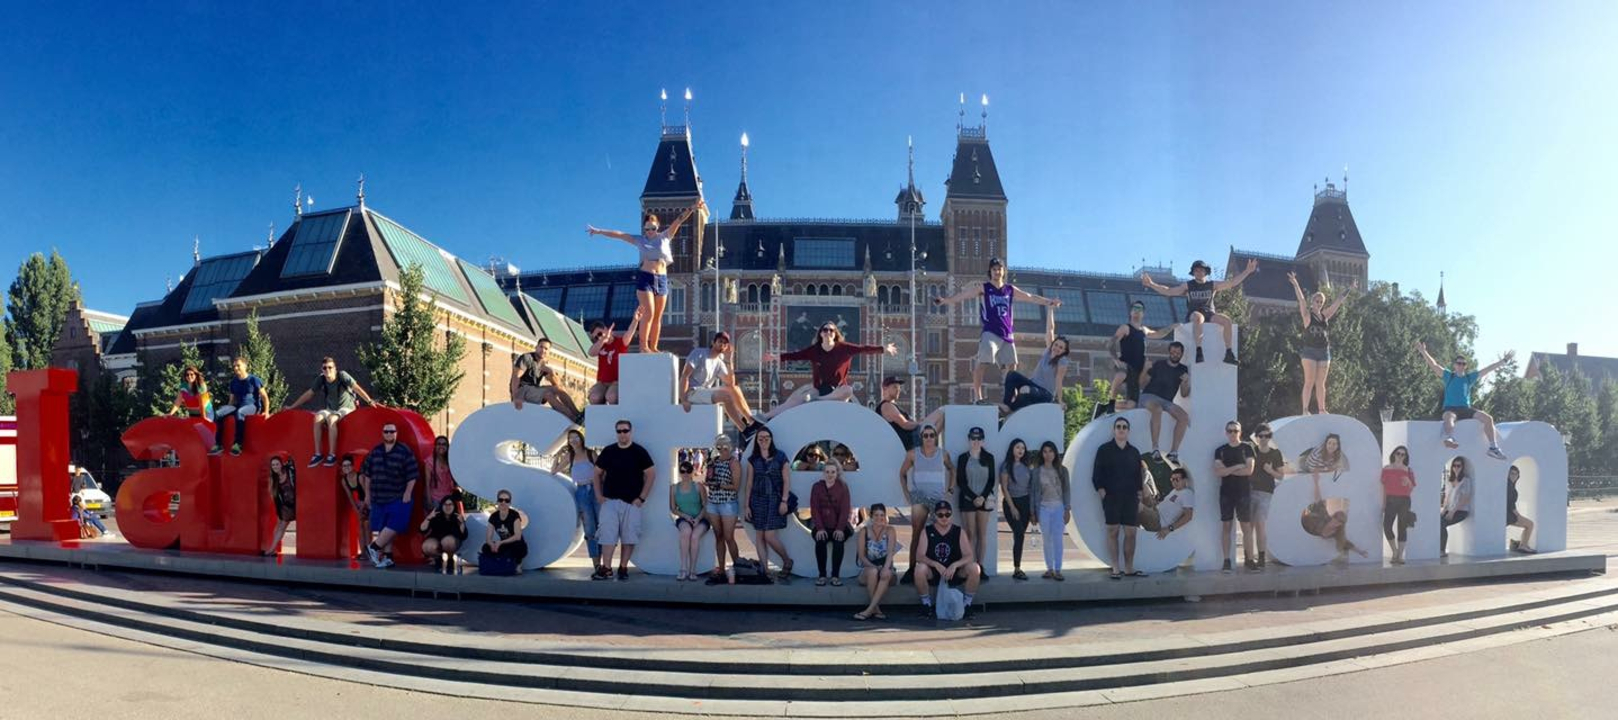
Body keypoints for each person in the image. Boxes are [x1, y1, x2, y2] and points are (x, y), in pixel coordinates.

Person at [932, 258, 1061, 403]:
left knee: (1012, 366)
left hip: (1007, 334)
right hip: (990, 332)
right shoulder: (984, 288)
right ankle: (978, 396)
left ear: (1003, 271)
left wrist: (1048, 301)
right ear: (990, 271)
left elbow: (1030, 297)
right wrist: (946, 300)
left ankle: (1012, 396)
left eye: (999, 269)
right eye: (994, 269)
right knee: (983, 362)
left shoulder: (1010, 290)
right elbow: (964, 295)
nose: (997, 272)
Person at [587, 201, 704, 353]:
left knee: (657, 316)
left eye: (653, 228)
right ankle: (644, 346)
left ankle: (654, 346)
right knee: (648, 313)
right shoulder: (640, 240)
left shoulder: (665, 237)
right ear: (644, 228)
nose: (650, 231)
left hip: (661, 279)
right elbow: (620, 235)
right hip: (646, 278)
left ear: (658, 227)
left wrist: (692, 208)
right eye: (647, 228)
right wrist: (599, 231)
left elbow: (679, 220)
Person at [761, 324, 897, 419]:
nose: (828, 332)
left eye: (831, 330)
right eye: (825, 330)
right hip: (820, 389)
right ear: (820, 333)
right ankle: (765, 416)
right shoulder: (814, 350)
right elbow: (794, 356)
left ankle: (817, 401)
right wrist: (774, 357)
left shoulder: (844, 348)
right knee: (796, 399)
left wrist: (883, 349)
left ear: (835, 334)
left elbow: (863, 348)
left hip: (837, 392)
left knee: (848, 390)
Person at [1140, 258, 1257, 364]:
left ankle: (1229, 353)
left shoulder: (1212, 285)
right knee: (1198, 317)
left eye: (1201, 270)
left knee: (1226, 321)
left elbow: (1231, 283)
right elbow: (1169, 291)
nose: (1198, 272)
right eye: (1196, 271)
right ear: (1193, 273)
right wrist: (1151, 284)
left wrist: (1247, 271)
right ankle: (1199, 351)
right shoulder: (1188, 285)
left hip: (1209, 313)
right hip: (1194, 313)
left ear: (1205, 272)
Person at [1414, 341, 1514, 460]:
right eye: (1459, 363)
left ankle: (1493, 447)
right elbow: (1434, 365)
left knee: (1488, 419)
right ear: (1455, 365)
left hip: (1465, 409)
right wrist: (1423, 352)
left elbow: (1487, 370)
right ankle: (1450, 438)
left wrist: (1504, 361)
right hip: (1451, 408)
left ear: (1465, 366)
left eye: (1463, 364)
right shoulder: (1448, 376)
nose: (1461, 365)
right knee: (1449, 418)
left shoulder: (1468, 378)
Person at [287, 357, 378, 467]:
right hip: (331, 409)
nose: (327, 370)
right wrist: (292, 406)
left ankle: (332, 455)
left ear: (335, 369)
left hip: (347, 408)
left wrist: (369, 401)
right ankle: (318, 454)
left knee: (332, 419)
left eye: (330, 367)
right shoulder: (321, 379)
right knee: (317, 417)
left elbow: (356, 388)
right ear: (322, 369)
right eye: (325, 368)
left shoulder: (342, 375)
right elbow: (309, 394)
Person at [594, 420, 656, 581]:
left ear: (631, 431)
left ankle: (623, 567)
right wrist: (599, 495)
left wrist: (642, 497)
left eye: (625, 430)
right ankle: (606, 568)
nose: (622, 434)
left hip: (632, 502)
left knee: (629, 537)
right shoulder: (608, 451)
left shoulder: (639, 451)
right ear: (616, 432)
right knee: (607, 535)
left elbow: (651, 474)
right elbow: (596, 473)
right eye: (619, 431)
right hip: (610, 501)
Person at [1288, 273, 1356, 414]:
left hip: (1324, 351)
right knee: (1309, 381)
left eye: (1321, 302)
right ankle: (1305, 409)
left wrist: (1349, 288)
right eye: (1316, 301)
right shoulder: (1307, 316)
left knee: (1321, 383)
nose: (1318, 304)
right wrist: (1295, 283)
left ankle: (1321, 409)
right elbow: (1301, 300)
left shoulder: (1325, 316)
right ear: (1312, 302)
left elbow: (1338, 302)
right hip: (1309, 351)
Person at [898, 425, 955, 583]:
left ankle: (937, 570)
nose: (929, 438)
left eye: (932, 435)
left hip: (937, 500)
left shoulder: (943, 454)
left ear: (936, 437)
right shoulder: (912, 454)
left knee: (939, 534)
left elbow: (952, 469)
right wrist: (907, 494)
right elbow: (902, 474)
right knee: (916, 533)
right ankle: (911, 569)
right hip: (920, 499)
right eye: (926, 435)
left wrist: (950, 490)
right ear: (921, 437)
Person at [741, 426, 795, 582]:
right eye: (760, 438)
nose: (763, 440)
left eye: (766, 438)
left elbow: (786, 481)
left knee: (769, 536)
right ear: (757, 441)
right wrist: (747, 505)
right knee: (759, 535)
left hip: (775, 500)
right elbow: (749, 484)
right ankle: (764, 570)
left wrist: (784, 501)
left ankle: (786, 560)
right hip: (757, 499)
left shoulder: (780, 457)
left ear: (771, 440)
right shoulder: (753, 459)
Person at [681, 331, 762, 433]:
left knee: (734, 389)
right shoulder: (699, 353)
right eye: (720, 341)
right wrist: (684, 400)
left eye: (725, 343)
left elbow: (730, 383)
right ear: (713, 342)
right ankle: (744, 430)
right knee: (725, 396)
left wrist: (729, 360)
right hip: (692, 392)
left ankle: (751, 421)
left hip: (705, 392)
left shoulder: (719, 362)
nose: (722, 345)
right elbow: (685, 376)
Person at [362, 423, 418, 569]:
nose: (389, 434)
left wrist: (408, 492)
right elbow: (367, 474)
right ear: (382, 433)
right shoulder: (375, 451)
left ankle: (373, 547)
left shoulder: (404, 450)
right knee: (384, 527)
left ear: (396, 433)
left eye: (392, 431)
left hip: (398, 495)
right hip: (378, 496)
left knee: (397, 523)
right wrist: (367, 495)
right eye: (386, 431)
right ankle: (388, 557)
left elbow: (412, 473)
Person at [1093, 417, 1144, 578]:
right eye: (1118, 427)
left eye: (1124, 427)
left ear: (1128, 431)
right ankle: (1115, 568)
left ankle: (1129, 568)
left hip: (1130, 498)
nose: (1121, 429)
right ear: (1114, 430)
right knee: (1112, 532)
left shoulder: (1134, 452)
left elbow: (1138, 476)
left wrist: (1140, 494)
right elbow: (1096, 473)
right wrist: (1101, 491)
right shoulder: (1104, 450)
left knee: (1131, 533)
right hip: (1112, 497)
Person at [912, 500, 981, 617]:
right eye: (940, 515)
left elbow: (969, 555)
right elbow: (919, 556)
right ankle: (926, 605)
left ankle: (967, 605)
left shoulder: (959, 531)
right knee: (919, 569)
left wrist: (955, 565)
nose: (944, 517)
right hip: (934, 572)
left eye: (947, 514)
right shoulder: (927, 531)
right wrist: (935, 564)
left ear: (951, 515)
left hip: (954, 572)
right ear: (935, 516)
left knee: (975, 568)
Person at [1104, 302, 1177, 413]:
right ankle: (1111, 402)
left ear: (1143, 313)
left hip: (1138, 369)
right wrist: (1116, 360)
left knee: (1131, 405)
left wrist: (1172, 327)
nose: (1137, 311)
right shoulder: (1125, 328)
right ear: (1131, 312)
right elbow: (1110, 344)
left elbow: (1158, 334)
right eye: (1135, 308)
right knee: (1121, 375)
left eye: (1140, 309)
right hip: (1125, 364)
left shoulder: (1144, 330)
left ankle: (1107, 407)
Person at [1000, 309, 1071, 414]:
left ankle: (1012, 409)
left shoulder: (1062, 361)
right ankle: (1006, 405)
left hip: (1045, 394)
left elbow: (1059, 380)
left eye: (1061, 347)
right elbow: (1050, 329)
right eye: (1056, 345)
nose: (1057, 348)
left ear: (1064, 351)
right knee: (1011, 375)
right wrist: (1050, 309)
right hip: (1033, 385)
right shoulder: (1048, 351)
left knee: (1025, 389)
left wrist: (1060, 400)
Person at [1214, 420, 1257, 573]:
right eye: (1230, 431)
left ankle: (1250, 560)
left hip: (1243, 492)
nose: (1233, 433)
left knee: (1246, 526)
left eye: (1235, 431)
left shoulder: (1248, 448)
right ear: (1226, 432)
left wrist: (1228, 470)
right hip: (1226, 492)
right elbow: (1218, 472)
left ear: (1240, 432)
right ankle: (1226, 560)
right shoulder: (1220, 450)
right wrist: (1238, 466)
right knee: (1226, 526)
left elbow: (1249, 470)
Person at [511, 338, 584, 425]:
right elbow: (516, 377)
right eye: (541, 347)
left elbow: (557, 384)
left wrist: (551, 372)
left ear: (549, 352)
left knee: (558, 389)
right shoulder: (527, 358)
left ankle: (578, 414)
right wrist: (516, 397)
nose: (543, 350)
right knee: (547, 394)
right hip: (522, 390)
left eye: (546, 349)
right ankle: (573, 419)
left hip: (534, 389)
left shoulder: (543, 363)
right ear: (536, 347)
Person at [1139, 342, 1192, 463]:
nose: (1175, 355)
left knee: (1184, 417)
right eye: (1173, 352)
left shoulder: (1183, 369)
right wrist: (1145, 369)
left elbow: (1184, 394)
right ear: (1169, 352)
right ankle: (1155, 448)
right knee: (1157, 410)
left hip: (1167, 401)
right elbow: (1141, 383)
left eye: (1178, 353)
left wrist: (1186, 383)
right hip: (1149, 396)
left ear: (1182, 354)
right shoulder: (1159, 364)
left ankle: (1173, 452)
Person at [955, 426, 998, 575]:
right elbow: (961, 481)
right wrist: (974, 498)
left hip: (984, 500)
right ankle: (970, 566)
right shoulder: (963, 458)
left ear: (983, 440)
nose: (976, 441)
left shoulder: (989, 457)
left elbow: (992, 480)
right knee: (970, 533)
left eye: (979, 438)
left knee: (982, 534)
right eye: (973, 438)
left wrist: (982, 497)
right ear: (969, 439)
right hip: (968, 500)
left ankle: (980, 566)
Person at [557, 429, 601, 573]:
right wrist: (557, 455)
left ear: (581, 438)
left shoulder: (590, 453)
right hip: (581, 492)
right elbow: (553, 471)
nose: (573, 440)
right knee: (589, 528)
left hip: (596, 490)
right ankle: (596, 562)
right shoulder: (570, 456)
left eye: (576, 437)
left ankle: (604, 560)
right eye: (570, 438)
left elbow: (602, 472)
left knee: (602, 525)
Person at [1301, 473, 1368, 564]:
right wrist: (1316, 482)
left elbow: (1346, 543)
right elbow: (1318, 499)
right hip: (1306, 525)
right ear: (1333, 517)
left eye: (1341, 523)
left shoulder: (1336, 532)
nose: (1338, 524)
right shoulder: (1323, 516)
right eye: (1337, 521)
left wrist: (1360, 552)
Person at [1029, 440, 1072, 580]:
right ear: (1042, 454)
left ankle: (1058, 569)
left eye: (1051, 451)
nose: (1048, 454)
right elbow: (1033, 492)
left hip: (1058, 507)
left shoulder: (1062, 470)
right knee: (1046, 539)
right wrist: (1032, 512)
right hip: (1043, 508)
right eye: (1045, 451)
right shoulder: (1036, 471)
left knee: (1058, 538)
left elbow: (1066, 491)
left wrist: (1067, 508)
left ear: (1055, 453)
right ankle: (1049, 568)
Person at [211, 356, 271, 456]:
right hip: (238, 406)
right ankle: (218, 444)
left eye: (238, 365)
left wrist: (267, 412)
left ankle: (238, 444)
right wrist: (226, 410)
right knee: (218, 413)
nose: (236, 368)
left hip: (252, 406)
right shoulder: (234, 381)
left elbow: (265, 397)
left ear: (245, 366)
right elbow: (231, 400)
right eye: (234, 366)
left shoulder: (254, 380)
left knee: (240, 412)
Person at [703, 434, 742, 584]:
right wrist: (709, 482)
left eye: (725, 447)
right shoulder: (713, 462)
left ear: (730, 447)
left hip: (727, 503)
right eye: (719, 447)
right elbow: (709, 479)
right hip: (713, 502)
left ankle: (738, 566)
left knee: (729, 537)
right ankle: (721, 568)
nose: (722, 450)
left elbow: (736, 486)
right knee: (718, 536)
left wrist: (719, 485)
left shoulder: (734, 463)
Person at [809, 462, 855, 586]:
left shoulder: (843, 487)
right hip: (822, 526)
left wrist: (840, 528)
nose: (830, 475)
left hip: (838, 525)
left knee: (838, 542)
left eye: (833, 472)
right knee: (820, 541)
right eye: (827, 472)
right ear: (824, 473)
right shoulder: (817, 487)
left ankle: (835, 576)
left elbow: (845, 509)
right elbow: (815, 509)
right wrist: (819, 528)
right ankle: (822, 575)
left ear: (837, 473)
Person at [585, 310, 643, 405]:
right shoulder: (600, 345)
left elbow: (630, 332)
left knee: (611, 397)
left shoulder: (620, 342)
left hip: (617, 381)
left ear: (605, 329)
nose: (599, 338)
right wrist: (602, 340)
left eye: (599, 334)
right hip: (602, 382)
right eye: (596, 337)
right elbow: (591, 353)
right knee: (594, 398)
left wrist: (635, 320)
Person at [1249, 424, 1287, 568]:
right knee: (1249, 526)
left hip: (1265, 492)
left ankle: (1261, 557)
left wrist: (1270, 470)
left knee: (1260, 524)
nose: (1264, 439)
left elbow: (1281, 476)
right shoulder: (1250, 451)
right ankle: (1249, 557)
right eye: (1261, 436)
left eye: (1267, 436)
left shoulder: (1275, 453)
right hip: (1249, 492)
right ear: (1257, 437)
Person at [664, 461, 710, 581]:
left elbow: (706, 505)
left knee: (695, 537)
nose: (685, 474)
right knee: (685, 533)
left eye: (688, 471)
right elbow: (673, 509)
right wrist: (685, 516)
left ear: (692, 472)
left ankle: (693, 569)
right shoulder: (674, 488)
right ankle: (683, 567)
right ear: (679, 472)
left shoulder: (699, 486)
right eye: (683, 471)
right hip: (684, 518)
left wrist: (698, 518)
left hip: (701, 518)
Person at [853, 503, 899, 621]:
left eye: (882, 515)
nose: (879, 518)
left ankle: (869, 610)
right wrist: (876, 567)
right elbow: (862, 557)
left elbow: (890, 553)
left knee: (887, 573)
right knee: (873, 571)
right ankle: (876, 609)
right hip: (869, 568)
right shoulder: (864, 531)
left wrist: (884, 568)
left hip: (886, 569)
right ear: (871, 516)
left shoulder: (890, 530)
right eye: (876, 515)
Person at [876, 376, 945, 452]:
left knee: (941, 415)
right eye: (895, 387)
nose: (898, 390)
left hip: (911, 438)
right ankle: (928, 446)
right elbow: (905, 425)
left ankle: (929, 446)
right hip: (910, 440)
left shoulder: (891, 405)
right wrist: (920, 423)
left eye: (899, 387)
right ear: (885, 388)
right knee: (941, 413)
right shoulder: (887, 406)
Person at [998, 439, 1034, 580]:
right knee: (1019, 533)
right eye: (1018, 447)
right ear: (1012, 448)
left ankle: (1017, 567)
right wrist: (1012, 508)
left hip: (1025, 502)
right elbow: (1004, 488)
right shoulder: (1006, 466)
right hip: (1011, 503)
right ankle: (1017, 569)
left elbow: (1031, 488)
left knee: (1020, 536)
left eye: (1023, 448)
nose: (1020, 450)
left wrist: (1032, 511)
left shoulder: (1027, 466)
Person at [1381, 446, 1417, 565]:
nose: (1400, 456)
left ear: (1405, 457)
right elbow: (1384, 488)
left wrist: (1408, 481)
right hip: (1391, 500)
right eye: (1398, 453)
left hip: (1404, 501)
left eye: (1403, 455)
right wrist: (1383, 503)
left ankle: (1400, 556)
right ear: (1394, 454)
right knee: (1387, 527)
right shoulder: (1386, 469)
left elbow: (1412, 488)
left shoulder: (1408, 470)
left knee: (1402, 528)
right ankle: (1394, 551)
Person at [482, 489, 529, 571]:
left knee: (518, 546)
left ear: (510, 503)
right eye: (500, 500)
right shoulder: (493, 516)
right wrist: (492, 544)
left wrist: (500, 542)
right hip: (504, 545)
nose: (503, 502)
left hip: (515, 544)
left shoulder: (514, 515)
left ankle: (518, 563)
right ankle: (499, 563)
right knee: (485, 547)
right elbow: (488, 538)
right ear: (497, 502)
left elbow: (517, 536)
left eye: (506, 500)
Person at [420, 496, 467, 572]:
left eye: (450, 504)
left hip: (452, 542)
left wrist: (461, 523)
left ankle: (450, 559)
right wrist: (428, 518)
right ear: (441, 505)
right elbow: (422, 530)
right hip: (437, 540)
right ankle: (439, 559)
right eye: (445, 504)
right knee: (427, 546)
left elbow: (464, 535)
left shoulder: (457, 517)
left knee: (447, 541)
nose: (447, 507)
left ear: (454, 506)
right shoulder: (436, 516)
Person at [1440, 457, 1474, 557]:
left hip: (1461, 511)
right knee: (1437, 522)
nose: (1456, 468)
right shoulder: (1449, 480)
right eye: (1454, 465)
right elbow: (1447, 496)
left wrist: (1453, 511)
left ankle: (1442, 551)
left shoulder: (1466, 480)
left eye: (1458, 466)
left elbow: (1466, 498)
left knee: (1442, 524)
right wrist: (1444, 509)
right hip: (1449, 509)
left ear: (1462, 467)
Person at [264, 455, 296, 556]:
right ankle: (273, 549)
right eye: (273, 465)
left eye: (277, 464)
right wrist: (279, 512)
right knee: (279, 526)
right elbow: (274, 496)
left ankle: (271, 549)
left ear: (281, 464)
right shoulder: (273, 479)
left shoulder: (290, 471)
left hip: (298, 502)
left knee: (281, 526)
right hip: (287, 506)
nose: (275, 466)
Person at [338, 456, 370, 558]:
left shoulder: (360, 477)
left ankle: (370, 551)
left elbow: (367, 494)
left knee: (367, 525)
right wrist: (356, 509)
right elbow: (350, 497)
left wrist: (363, 507)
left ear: (352, 466)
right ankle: (363, 552)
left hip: (369, 501)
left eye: (348, 465)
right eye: (344, 466)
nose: (346, 467)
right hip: (360, 502)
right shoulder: (344, 480)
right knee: (360, 525)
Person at [1151, 468, 1195, 540]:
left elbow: (1188, 516)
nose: (1174, 482)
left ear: (1185, 480)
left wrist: (1169, 529)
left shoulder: (1187, 493)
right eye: (1172, 479)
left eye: (1177, 479)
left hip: (1157, 521)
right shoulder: (1174, 491)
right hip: (1154, 513)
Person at [1507, 464, 1537, 554]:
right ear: (1507, 474)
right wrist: (1518, 515)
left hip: (1507, 514)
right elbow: (1510, 504)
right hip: (1508, 515)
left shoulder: (1510, 486)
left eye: (1516, 474)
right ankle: (1523, 546)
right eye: (1511, 473)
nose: (1514, 476)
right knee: (1530, 524)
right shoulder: (1509, 487)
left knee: (1527, 525)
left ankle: (1519, 544)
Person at [424, 435, 459, 509]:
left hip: (449, 498)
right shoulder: (429, 462)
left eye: (444, 444)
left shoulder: (450, 461)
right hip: (435, 499)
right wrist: (429, 501)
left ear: (447, 447)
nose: (441, 446)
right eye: (438, 444)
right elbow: (427, 484)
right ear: (435, 446)